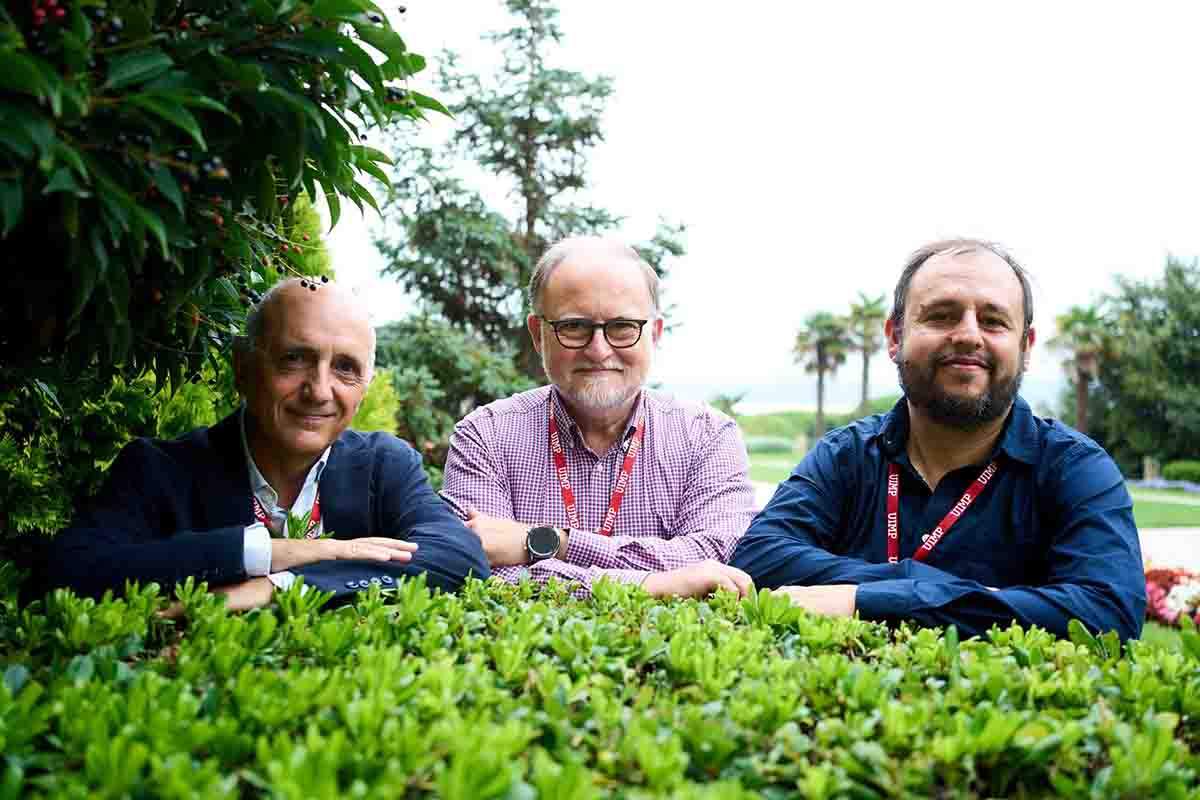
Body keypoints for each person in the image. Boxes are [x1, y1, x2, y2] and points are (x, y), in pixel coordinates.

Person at [731, 239, 1145, 640]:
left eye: (993, 320)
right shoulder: (845, 455)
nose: (968, 335)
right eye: (942, 316)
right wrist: (933, 587)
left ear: (1026, 346)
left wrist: (875, 599)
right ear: (895, 336)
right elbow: (760, 558)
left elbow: (1108, 613)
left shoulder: (1074, 467)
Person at [44, 279, 489, 609]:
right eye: (295, 359)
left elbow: (456, 556)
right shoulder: (160, 470)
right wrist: (265, 553)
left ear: (364, 389)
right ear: (244, 367)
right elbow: (66, 572)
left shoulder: (384, 466)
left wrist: (280, 586)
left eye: (345, 368)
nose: (319, 390)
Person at [441, 236, 756, 598]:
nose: (599, 350)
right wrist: (661, 585)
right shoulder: (485, 436)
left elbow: (716, 558)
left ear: (654, 334)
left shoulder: (709, 438)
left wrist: (547, 542)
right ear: (538, 334)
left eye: (622, 326)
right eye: (574, 326)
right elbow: (485, 576)